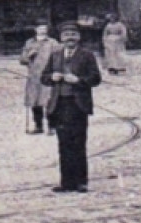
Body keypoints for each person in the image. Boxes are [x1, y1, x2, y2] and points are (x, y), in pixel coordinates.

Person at [41, 22, 102, 193]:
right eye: (66, 35)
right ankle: (66, 182)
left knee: (78, 143)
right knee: (63, 144)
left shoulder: (87, 55)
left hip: (78, 105)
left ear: (78, 38)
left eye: (73, 35)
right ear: (61, 38)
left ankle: (81, 182)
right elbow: (43, 78)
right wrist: (52, 77)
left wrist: (79, 81)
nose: (70, 38)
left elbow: (96, 78)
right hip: (59, 104)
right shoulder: (55, 55)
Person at [20, 23, 59, 135]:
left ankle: (52, 126)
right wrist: (29, 56)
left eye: (44, 28)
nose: (42, 30)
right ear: (35, 29)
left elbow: (59, 57)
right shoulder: (29, 43)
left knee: (49, 101)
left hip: (48, 76)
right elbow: (22, 59)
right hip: (34, 77)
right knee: (35, 101)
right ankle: (38, 126)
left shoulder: (53, 43)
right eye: (40, 28)